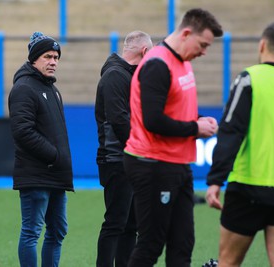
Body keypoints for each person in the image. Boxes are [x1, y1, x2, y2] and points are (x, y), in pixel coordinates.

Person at [123, 8, 223, 266]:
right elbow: (153, 120)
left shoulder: (183, 61)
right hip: (152, 164)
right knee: (150, 245)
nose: (204, 51)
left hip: (177, 163)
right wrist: (194, 129)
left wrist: (198, 119)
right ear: (187, 33)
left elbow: (176, 108)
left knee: (183, 244)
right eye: (203, 44)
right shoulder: (157, 64)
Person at [206, 21, 274, 267]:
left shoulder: (249, 78)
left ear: (262, 45)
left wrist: (215, 180)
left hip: (248, 185)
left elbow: (231, 131)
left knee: (229, 262)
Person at [8, 31, 74, 267]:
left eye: (56, 57)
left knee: (57, 231)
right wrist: (54, 155)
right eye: (47, 56)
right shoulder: (24, 88)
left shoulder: (52, 89)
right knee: (31, 232)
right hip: (36, 174)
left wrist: (59, 162)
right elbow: (23, 132)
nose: (53, 62)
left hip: (55, 174)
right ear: (34, 58)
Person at [95, 31, 153, 267]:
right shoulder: (115, 76)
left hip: (127, 158)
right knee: (116, 223)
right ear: (145, 52)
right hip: (117, 160)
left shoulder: (126, 77)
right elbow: (119, 121)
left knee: (131, 225)